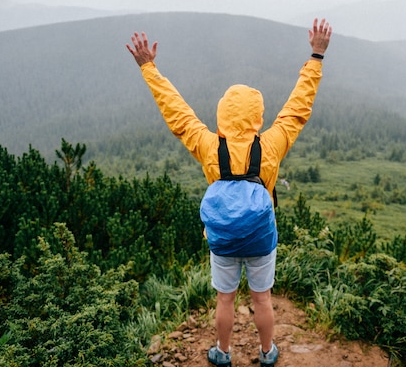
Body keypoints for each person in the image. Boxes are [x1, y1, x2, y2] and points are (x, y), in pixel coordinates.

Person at [126, 18, 332, 367]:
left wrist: (149, 67)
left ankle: (222, 354)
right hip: (260, 235)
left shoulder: (208, 146)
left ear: (221, 114)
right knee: (262, 299)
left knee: (225, 300)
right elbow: (298, 109)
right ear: (258, 116)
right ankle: (267, 354)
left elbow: (177, 113)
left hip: (221, 233)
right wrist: (316, 55)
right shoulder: (271, 145)